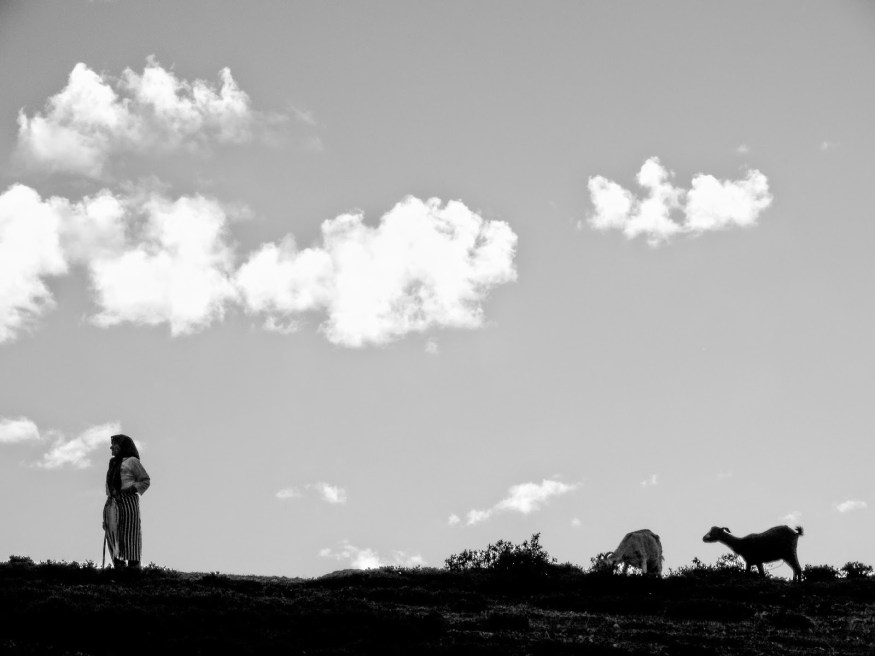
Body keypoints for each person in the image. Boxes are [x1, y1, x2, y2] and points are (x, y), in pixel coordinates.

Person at [103, 433, 150, 569]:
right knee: (112, 532)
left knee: (130, 532)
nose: (111, 447)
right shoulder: (113, 463)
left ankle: (134, 567)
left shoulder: (132, 462)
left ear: (122, 446)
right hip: (113, 502)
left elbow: (145, 480)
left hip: (128, 501)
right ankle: (119, 566)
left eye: (114, 445)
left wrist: (132, 489)